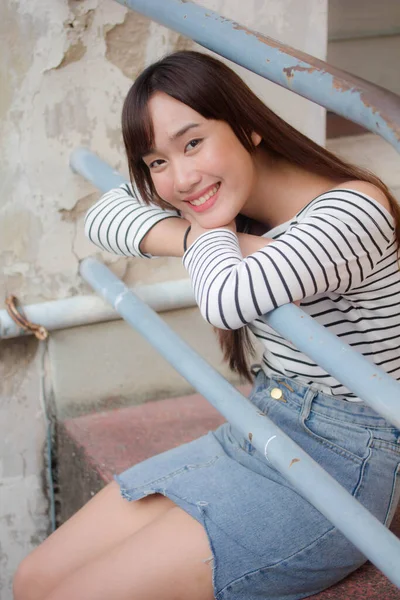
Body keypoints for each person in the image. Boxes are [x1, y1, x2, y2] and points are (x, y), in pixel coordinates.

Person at [14, 51, 400, 600]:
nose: (182, 179)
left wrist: (206, 226)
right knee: (34, 580)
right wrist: (203, 236)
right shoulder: (227, 213)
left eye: (193, 142)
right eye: (157, 162)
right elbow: (102, 216)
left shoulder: (351, 213)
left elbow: (226, 299)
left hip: (343, 461)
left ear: (246, 125)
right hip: (265, 422)